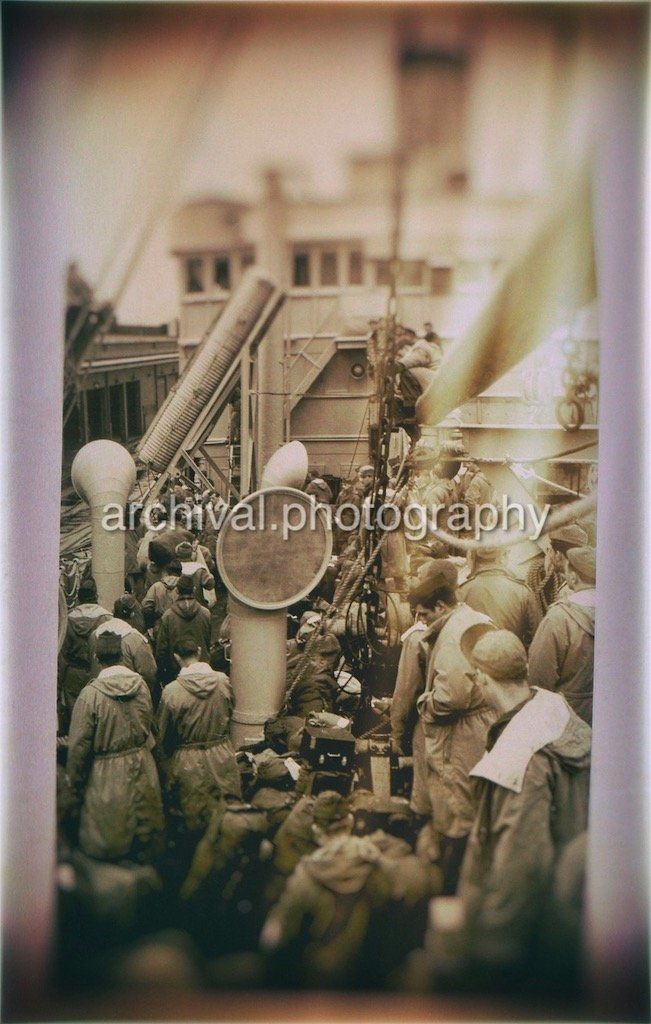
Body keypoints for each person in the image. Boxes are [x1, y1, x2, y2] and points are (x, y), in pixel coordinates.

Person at [455, 622, 591, 979]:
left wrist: (492, 950)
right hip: (574, 901)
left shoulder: (519, 759)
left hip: (538, 930)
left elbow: (522, 863)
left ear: (481, 680)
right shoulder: (555, 712)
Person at [413, 560, 496, 893]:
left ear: (441, 606)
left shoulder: (451, 638)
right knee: (471, 804)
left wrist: (425, 704)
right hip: (481, 728)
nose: (420, 622)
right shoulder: (474, 619)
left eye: (424, 614)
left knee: (456, 806)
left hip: (460, 735)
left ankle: (452, 885)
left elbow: (452, 698)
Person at [259, 792, 398, 988]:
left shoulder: (305, 875)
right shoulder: (377, 860)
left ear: (316, 830)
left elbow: (274, 938)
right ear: (350, 822)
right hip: (373, 980)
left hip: (320, 980)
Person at [66, 631, 164, 863]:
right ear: (121, 655)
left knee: (112, 840)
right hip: (143, 766)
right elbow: (151, 727)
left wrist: (74, 784)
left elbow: (79, 747)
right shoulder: (141, 687)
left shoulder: (90, 696)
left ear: (97, 658)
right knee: (144, 836)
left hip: (107, 776)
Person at [156, 639, 241, 834]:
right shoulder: (222, 681)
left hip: (187, 759)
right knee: (226, 812)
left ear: (176, 657)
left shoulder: (171, 692)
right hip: (221, 753)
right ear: (200, 651)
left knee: (192, 817)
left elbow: (163, 733)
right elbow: (231, 709)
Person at [527, 547, 596, 725]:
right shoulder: (625, 615)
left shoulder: (558, 618)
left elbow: (539, 679)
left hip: (567, 720)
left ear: (573, 577)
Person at [458, 546, 541, 648]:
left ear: (472, 557)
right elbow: (536, 638)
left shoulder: (462, 591)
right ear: (503, 557)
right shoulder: (523, 591)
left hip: (473, 661)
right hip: (510, 659)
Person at [58, 577, 111, 729]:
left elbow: (61, 657)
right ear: (96, 595)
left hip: (73, 676)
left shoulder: (67, 618)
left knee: (76, 720)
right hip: (98, 671)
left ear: (79, 597)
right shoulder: (106, 617)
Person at [155, 574, 212, 684]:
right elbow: (207, 640)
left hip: (176, 671)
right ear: (194, 590)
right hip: (203, 669)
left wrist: (162, 672)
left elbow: (161, 649)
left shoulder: (168, 616)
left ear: (177, 591)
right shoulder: (205, 613)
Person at [89, 610, 158, 698]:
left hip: (100, 693)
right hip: (132, 694)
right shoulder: (136, 639)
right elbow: (149, 673)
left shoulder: (95, 635)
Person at [141, 559, 182, 637]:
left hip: (160, 627)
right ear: (180, 572)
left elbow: (146, 607)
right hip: (180, 627)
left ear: (166, 572)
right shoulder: (184, 587)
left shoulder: (156, 586)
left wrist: (150, 626)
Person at [175, 540, 216, 608]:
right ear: (191, 554)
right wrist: (211, 577)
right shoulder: (199, 569)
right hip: (197, 605)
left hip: (177, 604)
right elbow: (210, 586)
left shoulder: (174, 567)